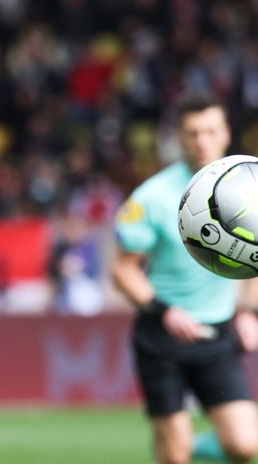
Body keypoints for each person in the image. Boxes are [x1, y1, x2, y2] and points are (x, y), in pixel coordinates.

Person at [112, 93, 258, 464]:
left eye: (210, 131)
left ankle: (186, 444)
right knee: (175, 457)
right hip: (163, 336)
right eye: (193, 133)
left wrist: (248, 312)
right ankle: (172, 445)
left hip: (218, 335)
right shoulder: (152, 196)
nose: (202, 141)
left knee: (244, 446)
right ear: (178, 136)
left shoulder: (248, 187)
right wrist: (164, 311)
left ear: (226, 133)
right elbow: (123, 270)